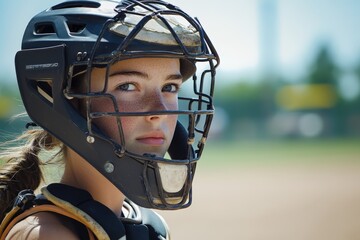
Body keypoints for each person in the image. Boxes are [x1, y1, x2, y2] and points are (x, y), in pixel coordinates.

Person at [0, 0, 219, 239]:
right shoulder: (47, 234)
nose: (160, 111)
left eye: (170, 86)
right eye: (127, 86)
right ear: (66, 102)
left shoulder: (147, 225)